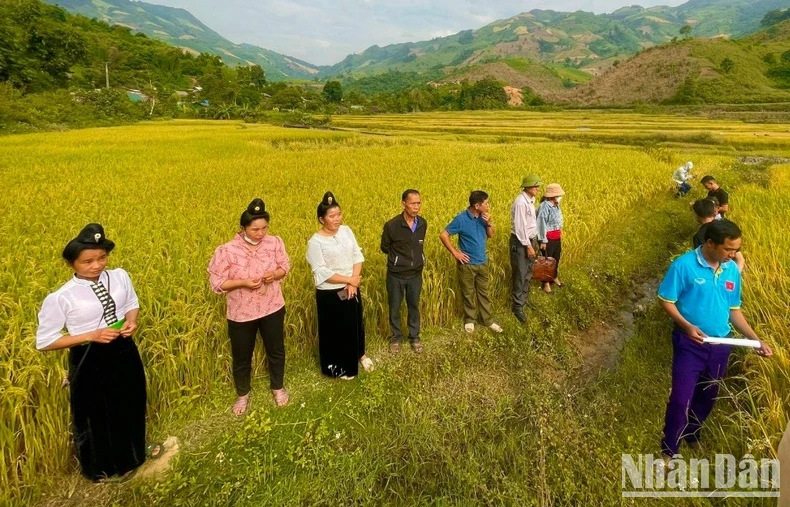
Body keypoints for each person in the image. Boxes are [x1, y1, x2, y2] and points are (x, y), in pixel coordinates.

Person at [36, 224, 148, 481]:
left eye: (101, 258)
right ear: (71, 263)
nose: (96, 265)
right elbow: (45, 341)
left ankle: (133, 456)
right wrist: (91, 335)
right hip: (89, 357)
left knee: (130, 399)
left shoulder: (119, 276)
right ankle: (102, 469)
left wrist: (132, 321)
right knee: (96, 413)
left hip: (123, 348)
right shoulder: (62, 297)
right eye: (87, 261)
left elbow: (131, 304)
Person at [657, 219, 772, 462]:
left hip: (722, 344)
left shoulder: (730, 270)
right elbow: (666, 300)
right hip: (690, 344)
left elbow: (734, 310)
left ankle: (692, 434)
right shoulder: (684, 266)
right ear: (710, 243)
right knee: (681, 398)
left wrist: (755, 339)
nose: (733, 255)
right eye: (728, 249)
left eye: (736, 250)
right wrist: (687, 326)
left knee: (708, 396)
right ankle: (669, 449)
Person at [208, 198, 291, 414]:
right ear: (243, 228)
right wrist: (242, 283)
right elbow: (217, 283)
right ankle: (243, 394)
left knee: (276, 349)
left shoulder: (274, 243)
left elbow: (285, 267)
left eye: (264, 228)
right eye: (255, 229)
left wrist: (274, 274)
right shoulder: (227, 251)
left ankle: (278, 387)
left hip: (272, 306)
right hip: (241, 313)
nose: (260, 233)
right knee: (242, 355)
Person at [306, 191, 374, 379]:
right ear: (321, 219)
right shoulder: (315, 242)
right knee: (334, 330)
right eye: (332, 216)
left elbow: (357, 255)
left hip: (352, 285)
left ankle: (360, 354)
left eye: (339, 214)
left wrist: (354, 279)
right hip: (330, 293)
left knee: (355, 323)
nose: (337, 219)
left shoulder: (346, 230)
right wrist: (348, 280)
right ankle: (335, 367)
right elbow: (321, 272)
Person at [440, 190, 503, 334]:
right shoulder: (461, 219)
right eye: (486, 203)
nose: (488, 206)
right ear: (476, 205)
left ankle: (487, 320)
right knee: (468, 293)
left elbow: (491, 235)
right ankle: (470, 320)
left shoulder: (483, 217)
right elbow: (443, 235)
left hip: (482, 262)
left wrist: (489, 222)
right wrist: (455, 252)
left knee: (484, 293)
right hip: (467, 264)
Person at [381, 189, 427, 354]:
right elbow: (385, 247)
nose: (416, 207)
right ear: (404, 204)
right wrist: (398, 260)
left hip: (415, 274)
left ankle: (414, 337)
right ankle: (396, 338)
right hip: (396, 275)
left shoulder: (422, 223)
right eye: (413, 203)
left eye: (418, 203)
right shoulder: (392, 225)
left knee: (413, 305)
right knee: (394, 306)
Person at [509, 174, 542, 323]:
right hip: (522, 242)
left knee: (528, 272)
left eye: (538, 186)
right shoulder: (521, 202)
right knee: (520, 273)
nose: (537, 189)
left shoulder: (530, 200)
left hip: (530, 240)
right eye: (535, 186)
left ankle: (523, 299)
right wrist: (528, 246)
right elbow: (520, 227)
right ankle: (517, 306)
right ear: (527, 187)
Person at [692, 199, 744, 272]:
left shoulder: (699, 236)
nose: (731, 254)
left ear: (696, 215)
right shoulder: (725, 228)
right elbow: (740, 259)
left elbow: (701, 261)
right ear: (715, 211)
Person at [537, 183, 565, 294]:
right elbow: (541, 223)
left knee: (555, 258)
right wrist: (543, 240)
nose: (560, 197)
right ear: (553, 196)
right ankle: (546, 283)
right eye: (558, 195)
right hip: (548, 238)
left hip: (556, 237)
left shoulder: (556, 206)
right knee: (546, 260)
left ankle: (554, 277)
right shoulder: (545, 206)